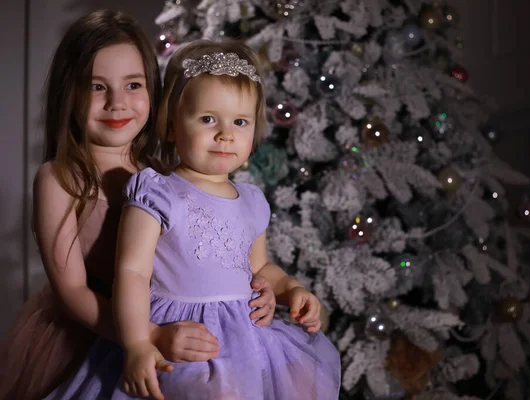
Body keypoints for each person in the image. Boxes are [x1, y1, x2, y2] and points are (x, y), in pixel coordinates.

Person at [0, 11, 275, 400]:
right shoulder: (60, 178)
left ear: (155, 92)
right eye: (97, 87)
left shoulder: (162, 175)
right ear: (69, 93)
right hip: (92, 331)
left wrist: (261, 285)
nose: (117, 103)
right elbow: (73, 291)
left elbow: (216, 254)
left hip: (173, 331)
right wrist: (148, 335)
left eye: (133, 84)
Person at [45, 39, 341, 400]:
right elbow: (133, 273)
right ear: (171, 126)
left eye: (240, 122)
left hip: (245, 339)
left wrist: (291, 289)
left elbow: (259, 267)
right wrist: (139, 341)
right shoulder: (157, 191)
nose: (225, 133)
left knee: (294, 377)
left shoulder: (251, 200)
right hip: (180, 333)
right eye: (207, 119)